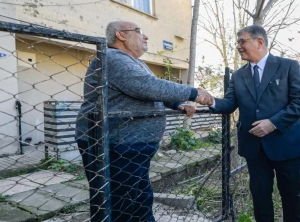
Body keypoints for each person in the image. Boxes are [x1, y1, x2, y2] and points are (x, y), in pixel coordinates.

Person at [75, 20, 213, 222]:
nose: (145, 36)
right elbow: (146, 86)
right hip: (113, 144)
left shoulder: (131, 61)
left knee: (139, 197)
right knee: (121, 203)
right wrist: (194, 92)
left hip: (130, 144)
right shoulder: (112, 58)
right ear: (121, 35)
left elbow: (146, 93)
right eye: (139, 32)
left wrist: (177, 104)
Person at [208, 25, 300, 222]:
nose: (238, 46)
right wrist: (208, 100)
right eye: (237, 42)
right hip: (254, 148)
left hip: (287, 145)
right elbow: (229, 103)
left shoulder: (288, 66)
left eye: (242, 41)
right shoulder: (238, 76)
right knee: (260, 198)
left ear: (260, 42)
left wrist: (273, 123)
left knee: (291, 197)